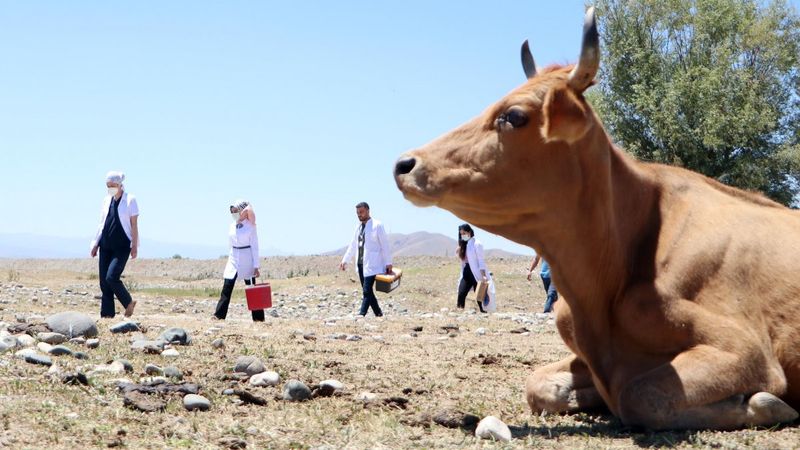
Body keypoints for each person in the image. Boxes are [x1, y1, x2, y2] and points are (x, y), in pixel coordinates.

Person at [90, 171, 139, 319]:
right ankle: (107, 315)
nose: (110, 188)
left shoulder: (130, 200)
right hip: (105, 244)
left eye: (113, 185)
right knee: (104, 282)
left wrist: (135, 245)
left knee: (112, 277)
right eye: (108, 185)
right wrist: (95, 243)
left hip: (122, 246)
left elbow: (134, 224)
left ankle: (128, 302)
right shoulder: (106, 200)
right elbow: (102, 223)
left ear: (120, 185)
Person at [213, 200, 265, 321]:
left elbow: (255, 246)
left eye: (236, 210)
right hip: (233, 257)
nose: (234, 213)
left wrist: (256, 266)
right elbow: (230, 243)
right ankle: (219, 315)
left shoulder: (251, 226)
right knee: (227, 285)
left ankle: (258, 318)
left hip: (247, 258)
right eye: (232, 211)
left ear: (243, 211)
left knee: (252, 288)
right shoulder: (232, 225)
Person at [339, 202, 392, 317]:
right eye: (357, 213)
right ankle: (378, 313)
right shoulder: (358, 227)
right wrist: (345, 260)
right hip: (361, 263)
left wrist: (388, 263)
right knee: (368, 291)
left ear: (368, 211)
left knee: (366, 290)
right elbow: (353, 245)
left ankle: (361, 314)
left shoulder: (377, 225)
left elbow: (385, 245)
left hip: (374, 264)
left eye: (361, 212)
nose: (359, 215)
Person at [456, 224, 496, 312]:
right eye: (461, 234)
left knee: (479, 293)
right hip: (467, 271)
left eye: (464, 233)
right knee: (461, 291)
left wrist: (483, 275)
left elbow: (481, 260)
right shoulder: (463, 245)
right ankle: (459, 310)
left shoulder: (477, 244)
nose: (463, 235)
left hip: (477, 272)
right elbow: (463, 261)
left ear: (469, 232)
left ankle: (483, 310)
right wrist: (459, 251)